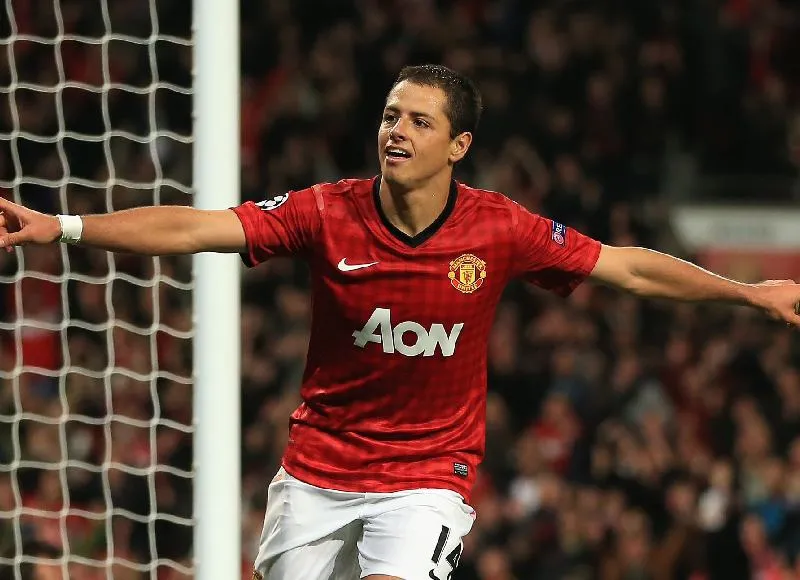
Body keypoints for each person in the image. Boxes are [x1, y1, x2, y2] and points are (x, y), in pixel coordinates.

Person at [1, 64, 798, 580]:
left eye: (419, 121)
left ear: (458, 145)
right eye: (390, 115)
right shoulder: (326, 211)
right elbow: (196, 229)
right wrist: (64, 227)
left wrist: (749, 294)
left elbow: (626, 267)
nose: (397, 131)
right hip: (318, 470)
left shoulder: (499, 228)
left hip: (426, 476)